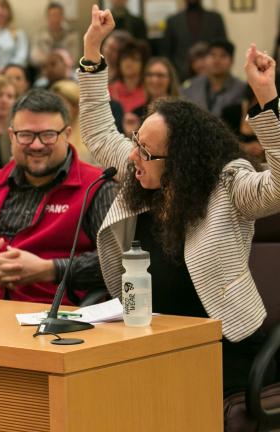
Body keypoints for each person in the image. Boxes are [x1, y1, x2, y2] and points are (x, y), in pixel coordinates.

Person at [79, 5, 280, 395]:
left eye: (147, 153)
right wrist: (92, 48)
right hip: (152, 340)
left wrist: (267, 98)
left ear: (182, 162)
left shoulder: (228, 186)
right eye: (136, 144)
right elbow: (101, 133)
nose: (134, 156)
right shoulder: (142, 174)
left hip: (224, 348)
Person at [0, 88, 116, 304]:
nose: (36, 145)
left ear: (67, 134)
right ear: (11, 136)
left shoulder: (97, 187)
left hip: (58, 320)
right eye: (25, 135)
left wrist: (50, 270)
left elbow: (115, 261)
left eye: (48, 135)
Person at [162, 0, 227, 82]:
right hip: (181, 78)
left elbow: (223, 49)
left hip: (212, 78)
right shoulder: (172, 21)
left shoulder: (215, 19)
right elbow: (167, 53)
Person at [182, 39, 246, 118]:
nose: (217, 60)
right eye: (212, 55)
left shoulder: (241, 89)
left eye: (223, 55)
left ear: (232, 61)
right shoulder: (191, 86)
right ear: (206, 59)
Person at [124, 57, 180, 136]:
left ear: (170, 79)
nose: (154, 80)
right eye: (150, 75)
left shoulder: (181, 112)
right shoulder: (136, 114)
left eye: (160, 75)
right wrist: (130, 134)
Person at [30, 2, 79, 70]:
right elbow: (34, 57)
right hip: (46, 71)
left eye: (58, 15)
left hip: (67, 71)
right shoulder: (39, 34)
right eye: (52, 15)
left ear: (62, 17)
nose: (55, 18)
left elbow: (74, 58)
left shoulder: (71, 34)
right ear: (47, 17)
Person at [108, 39, 149, 114]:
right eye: (124, 58)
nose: (129, 63)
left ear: (143, 63)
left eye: (134, 59)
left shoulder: (149, 90)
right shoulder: (109, 91)